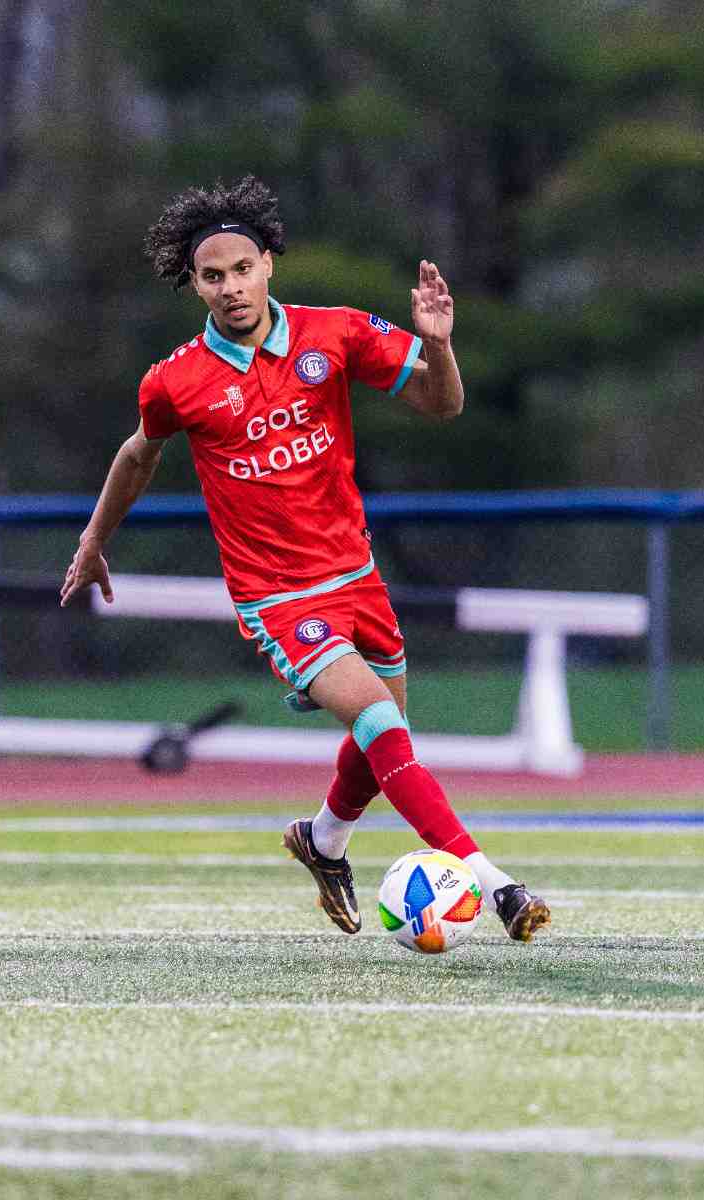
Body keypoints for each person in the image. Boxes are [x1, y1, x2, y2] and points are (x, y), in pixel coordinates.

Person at [59, 176, 550, 942]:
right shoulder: (176, 380)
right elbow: (137, 456)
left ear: (268, 266)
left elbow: (442, 403)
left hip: (356, 574)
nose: (230, 287)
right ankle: (495, 885)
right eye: (212, 276)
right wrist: (94, 541)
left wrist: (443, 346)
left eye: (242, 269)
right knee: (384, 724)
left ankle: (322, 842)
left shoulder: (336, 333)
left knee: (378, 738)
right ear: (193, 284)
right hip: (278, 596)